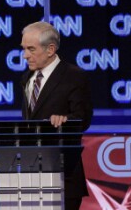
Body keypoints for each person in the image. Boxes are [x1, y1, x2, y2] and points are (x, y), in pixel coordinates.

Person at [20, 21, 93, 210]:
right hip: (32, 175)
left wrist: (65, 120)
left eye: (31, 49)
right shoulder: (27, 78)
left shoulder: (74, 76)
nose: (25, 55)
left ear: (50, 49)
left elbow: (83, 119)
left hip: (64, 175)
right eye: (24, 49)